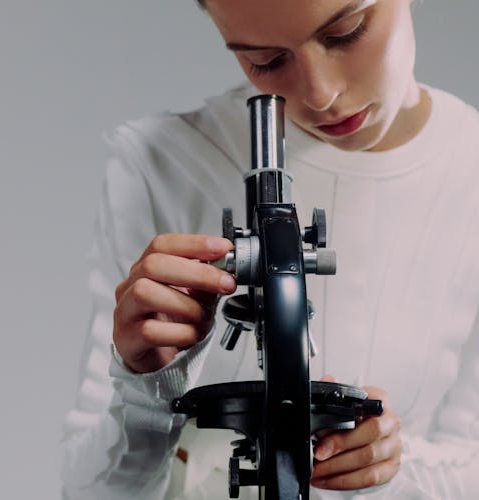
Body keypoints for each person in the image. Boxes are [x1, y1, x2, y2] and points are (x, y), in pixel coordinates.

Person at [61, 0, 479, 498]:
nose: (322, 95)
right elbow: (88, 491)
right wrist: (147, 390)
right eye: (266, 60)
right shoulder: (159, 165)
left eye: (346, 32)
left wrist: (391, 464)